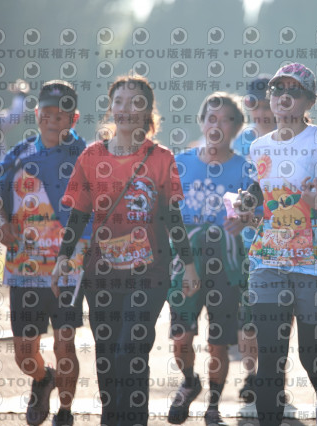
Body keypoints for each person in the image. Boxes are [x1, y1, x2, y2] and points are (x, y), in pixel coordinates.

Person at [50, 75, 198, 426]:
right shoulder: (91, 156)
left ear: (148, 112)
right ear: (110, 107)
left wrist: (189, 264)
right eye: (119, 101)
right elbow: (79, 214)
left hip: (150, 272)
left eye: (136, 102)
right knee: (106, 356)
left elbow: (172, 216)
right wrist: (62, 258)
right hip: (101, 273)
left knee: (130, 350)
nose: (126, 109)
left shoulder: (160, 158)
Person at [236, 63, 317, 426]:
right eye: (277, 89)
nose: (283, 97)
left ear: (309, 100)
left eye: (293, 91)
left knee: (313, 357)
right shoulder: (259, 147)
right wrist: (247, 202)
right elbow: (261, 188)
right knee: (270, 359)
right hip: (268, 262)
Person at [0, 80, 89, 426]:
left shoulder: (85, 157)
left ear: (74, 118)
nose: (52, 120)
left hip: (68, 268)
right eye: (46, 113)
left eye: (61, 114)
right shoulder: (19, 155)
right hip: (24, 268)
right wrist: (1, 224)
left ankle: (65, 411)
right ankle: (42, 378)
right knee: (25, 354)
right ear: (37, 113)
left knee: (65, 343)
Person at [166, 92, 256, 425]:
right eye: (211, 118)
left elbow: (258, 214)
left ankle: (214, 405)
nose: (217, 126)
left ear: (237, 127)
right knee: (181, 338)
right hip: (185, 261)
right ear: (202, 122)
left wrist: (246, 218)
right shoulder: (180, 163)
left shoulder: (246, 169)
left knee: (218, 343)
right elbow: (166, 212)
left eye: (227, 120)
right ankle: (190, 381)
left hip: (227, 264)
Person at [234, 76, 276, 404]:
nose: (260, 112)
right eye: (254, 105)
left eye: (266, 105)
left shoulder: (293, 139)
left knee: (276, 318)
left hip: (284, 243)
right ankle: (252, 374)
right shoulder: (242, 141)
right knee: (247, 319)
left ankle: (273, 377)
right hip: (245, 244)